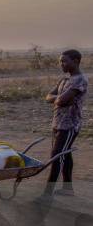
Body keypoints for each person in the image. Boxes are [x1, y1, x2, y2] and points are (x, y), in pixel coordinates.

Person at [41, 49, 88, 198]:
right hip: (57, 123)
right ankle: (68, 189)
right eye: (60, 61)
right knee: (65, 155)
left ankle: (47, 194)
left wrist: (58, 99)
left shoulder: (80, 79)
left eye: (64, 61)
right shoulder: (64, 80)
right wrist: (60, 99)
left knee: (56, 156)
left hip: (69, 125)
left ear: (76, 61)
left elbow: (58, 100)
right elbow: (48, 97)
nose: (61, 64)